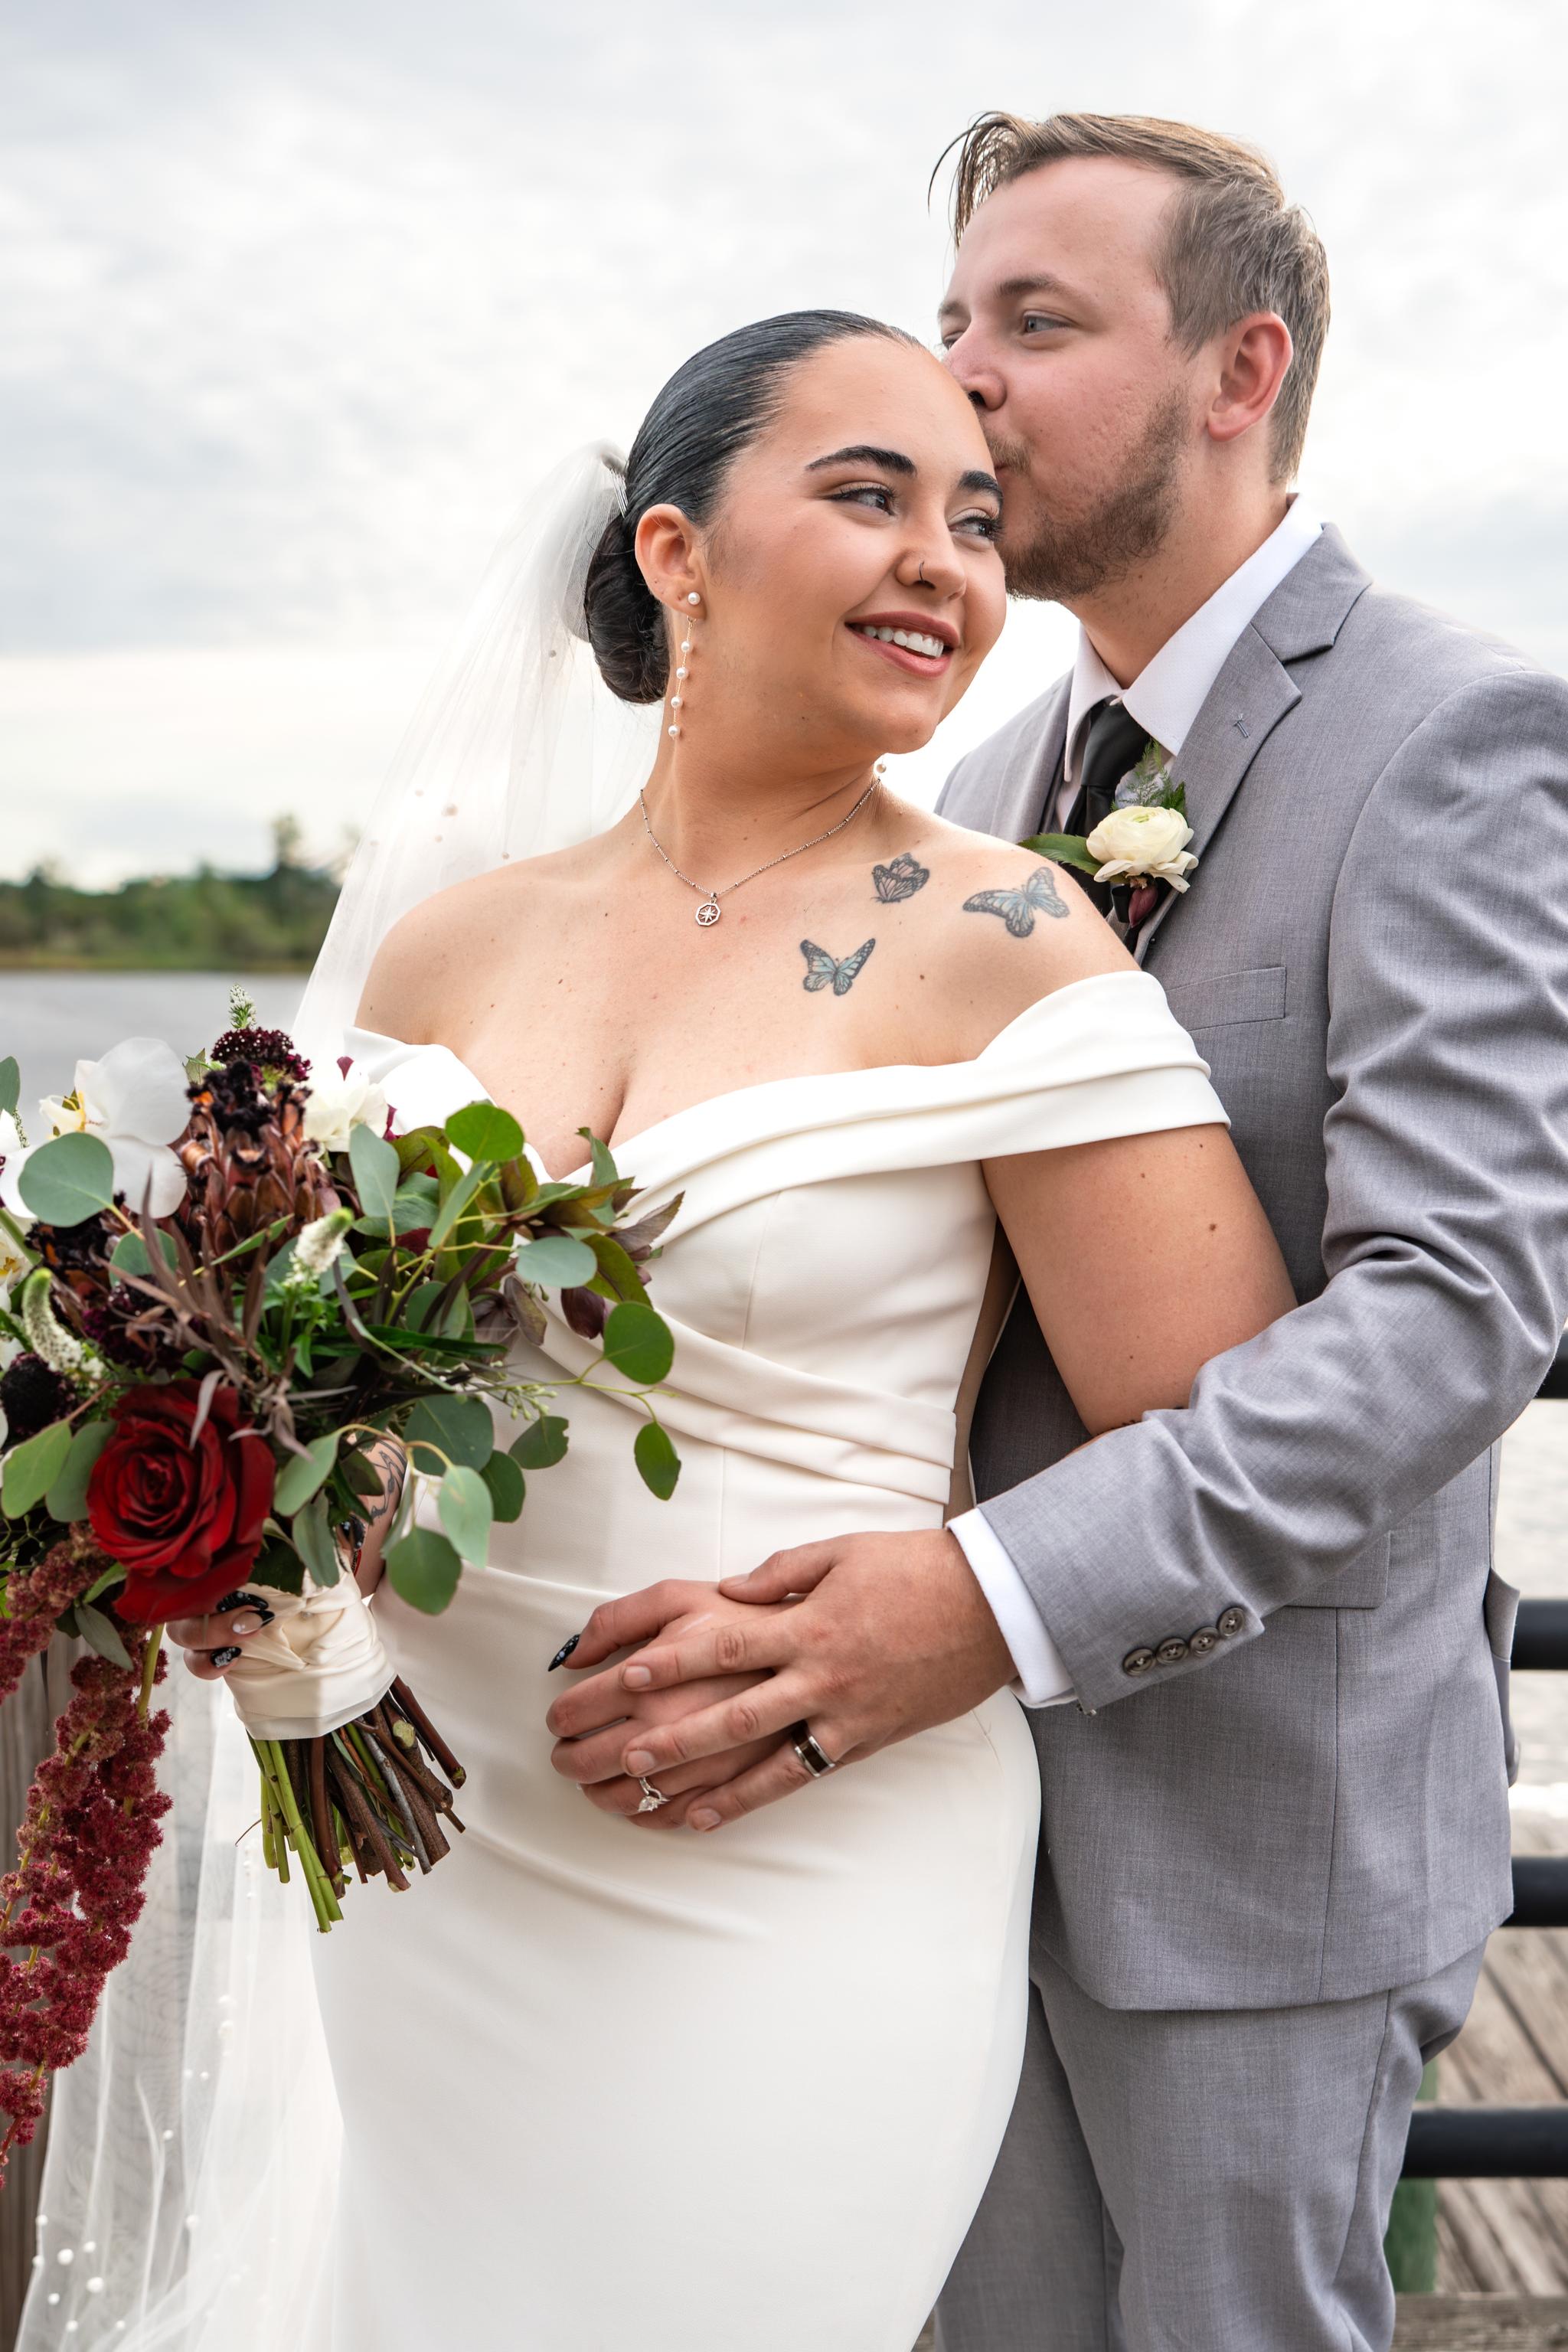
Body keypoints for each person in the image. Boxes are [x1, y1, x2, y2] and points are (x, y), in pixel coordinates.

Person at [162, 307, 1292, 2351]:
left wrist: (954, 1604)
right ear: (674, 551)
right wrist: (261, 1529)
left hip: (790, 1865)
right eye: (866, 495)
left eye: (970, 511)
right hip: (426, 1858)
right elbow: (305, 1359)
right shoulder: (451, 940)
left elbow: (1232, 1433)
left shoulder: (1010, 942)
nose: (945, 560)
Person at [556, 119, 1568, 2351]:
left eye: (1036, 324)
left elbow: (1459, 1311)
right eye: (948, 325)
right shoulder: (987, 767)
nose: (965, 386)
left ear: (1242, 370)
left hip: (1246, 1847)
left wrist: (988, 1602)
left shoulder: (1454, 734)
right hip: (915, 1836)